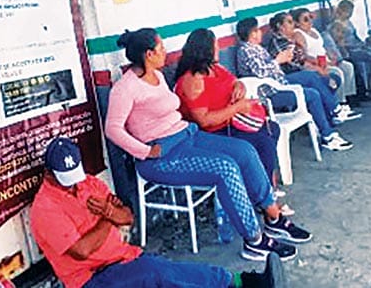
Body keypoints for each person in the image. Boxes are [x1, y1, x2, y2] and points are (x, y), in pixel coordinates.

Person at [105, 28, 311, 262]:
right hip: (160, 156)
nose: (165, 52)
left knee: (245, 151)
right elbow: (113, 129)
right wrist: (146, 151)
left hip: (185, 136)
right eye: (161, 48)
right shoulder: (125, 88)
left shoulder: (158, 76)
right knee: (225, 168)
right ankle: (254, 240)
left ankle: (273, 218)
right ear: (149, 54)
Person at [30, 137, 286, 288]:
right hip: (92, 278)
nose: (73, 182)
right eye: (65, 178)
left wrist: (112, 213)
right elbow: (82, 250)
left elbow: (128, 216)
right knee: (159, 273)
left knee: (168, 270)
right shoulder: (45, 208)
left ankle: (242, 282)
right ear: (48, 173)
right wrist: (109, 216)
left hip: (124, 257)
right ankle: (243, 283)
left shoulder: (88, 182)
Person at [174, 29, 293, 216]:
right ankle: (265, 197)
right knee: (261, 142)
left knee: (271, 130)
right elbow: (203, 120)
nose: (218, 49)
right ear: (205, 49)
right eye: (214, 46)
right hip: (211, 133)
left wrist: (240, 86)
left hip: (230, 123)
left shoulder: (215, 68)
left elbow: (234, 81)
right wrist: (237, 108)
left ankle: (264, 188)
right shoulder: (192, 80)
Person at [235, 17, 353, 151]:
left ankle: (335, 110)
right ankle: (328, 136)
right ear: (252, 34)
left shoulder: (256, 48)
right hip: (271, 93)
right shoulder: (246, 50)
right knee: (312, 95)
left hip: (280, 81)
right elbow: (261, 72)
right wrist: (278, 61)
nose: (260, 33)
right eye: (257, 31)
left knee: (311, 76)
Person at [264, 12, 359, 123]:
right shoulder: (279, 42)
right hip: (289, 76)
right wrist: (319, 69)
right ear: (280, 27)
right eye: (289, 22)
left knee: (334, 78)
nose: (293, 24)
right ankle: (334, 110)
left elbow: (302, 58)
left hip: (302, 72)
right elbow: (299, 62)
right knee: (316, 79)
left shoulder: (290, 40)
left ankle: (331, 114)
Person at [290, 7, 360, 112]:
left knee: (348, 67)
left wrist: (331, 55)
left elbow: (322, 47)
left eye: (310, 17)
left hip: (326, 59)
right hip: (316, 63)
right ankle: (340, 102)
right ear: (297, 23)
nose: (310, 21)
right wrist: (324, 62)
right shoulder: (299, 34)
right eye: (305, 19)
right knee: (337, 72)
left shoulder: (314, 31)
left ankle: (349, 96)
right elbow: (303, 55)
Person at [330, 0, 371, 95]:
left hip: (357, 45)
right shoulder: (337, 25)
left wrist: (363, 44)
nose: (350, 14)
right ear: (342, 11)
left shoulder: (348, 22)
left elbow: (355, 36)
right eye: (348, 12)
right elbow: (338, 42)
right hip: (350, 49)